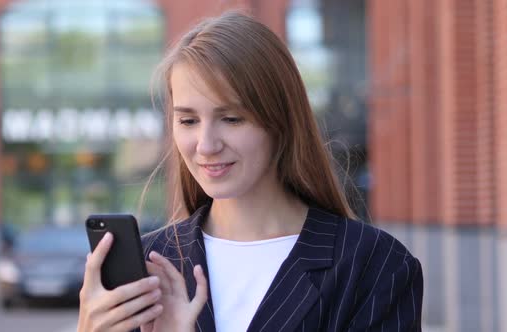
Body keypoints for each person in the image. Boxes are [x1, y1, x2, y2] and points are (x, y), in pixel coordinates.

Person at [77, 11, 423, 332]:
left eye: (231, 118)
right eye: (188, 120)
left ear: (281, 121)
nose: (206, 145)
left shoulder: (373, 265)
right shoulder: (149, 265)